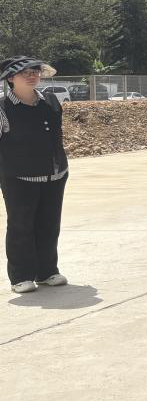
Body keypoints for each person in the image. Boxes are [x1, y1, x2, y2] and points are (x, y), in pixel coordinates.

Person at [0, 57, 69, 295]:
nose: (32, 76)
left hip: (55, 174)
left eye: (35, 71)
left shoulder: (50, 100)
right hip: (18, 177)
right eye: (25, 73)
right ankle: (21, 276)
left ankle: (47, 272)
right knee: (21, 226)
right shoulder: (2, 107)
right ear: (11, 78)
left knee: (49, 225)